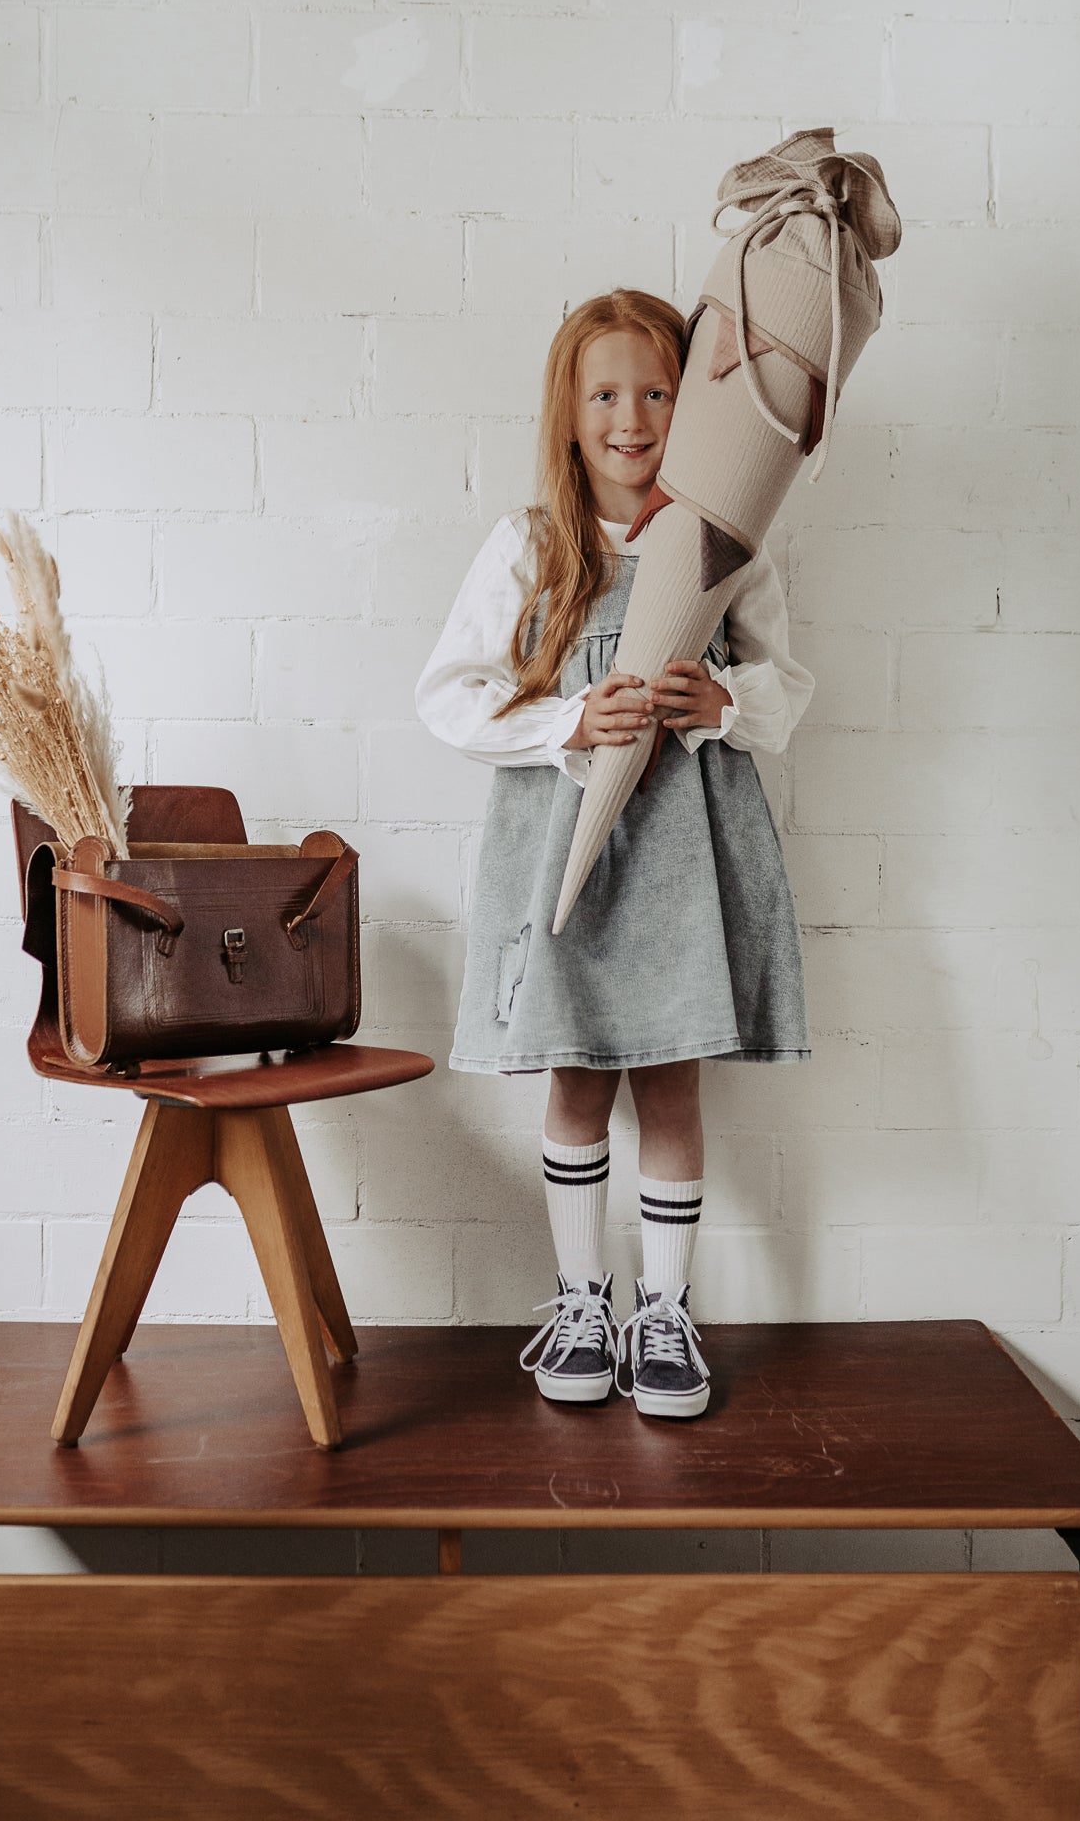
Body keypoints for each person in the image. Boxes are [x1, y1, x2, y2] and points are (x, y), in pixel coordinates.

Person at [414, 288, 814, 1421]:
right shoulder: (529, 544)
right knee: (579, 1075)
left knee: (670, 1079)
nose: (630, 417)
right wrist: (562, 721)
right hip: (569, 854)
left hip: (685, 853)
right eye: (604, 394)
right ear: (568, 409)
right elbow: (449, 694)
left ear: (689, 408)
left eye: (655, 391)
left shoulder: (723, 547)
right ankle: (580, 1299)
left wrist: (718, 697)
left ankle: (663, 1312)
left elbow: (786, 693)